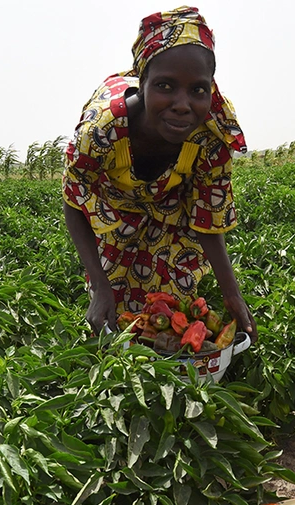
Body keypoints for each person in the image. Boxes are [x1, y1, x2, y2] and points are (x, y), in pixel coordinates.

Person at [62, 6, 257, 343]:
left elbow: (207, 218)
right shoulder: (100, 132)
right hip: (114, 209)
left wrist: (232, 294)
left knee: (173, 312)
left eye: (198, 90)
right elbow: (73, 200)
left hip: (171, 211)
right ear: (143, 83)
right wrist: (99, 284)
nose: (183, 104)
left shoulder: (212, 135)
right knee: (113, 308)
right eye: (165, 86)